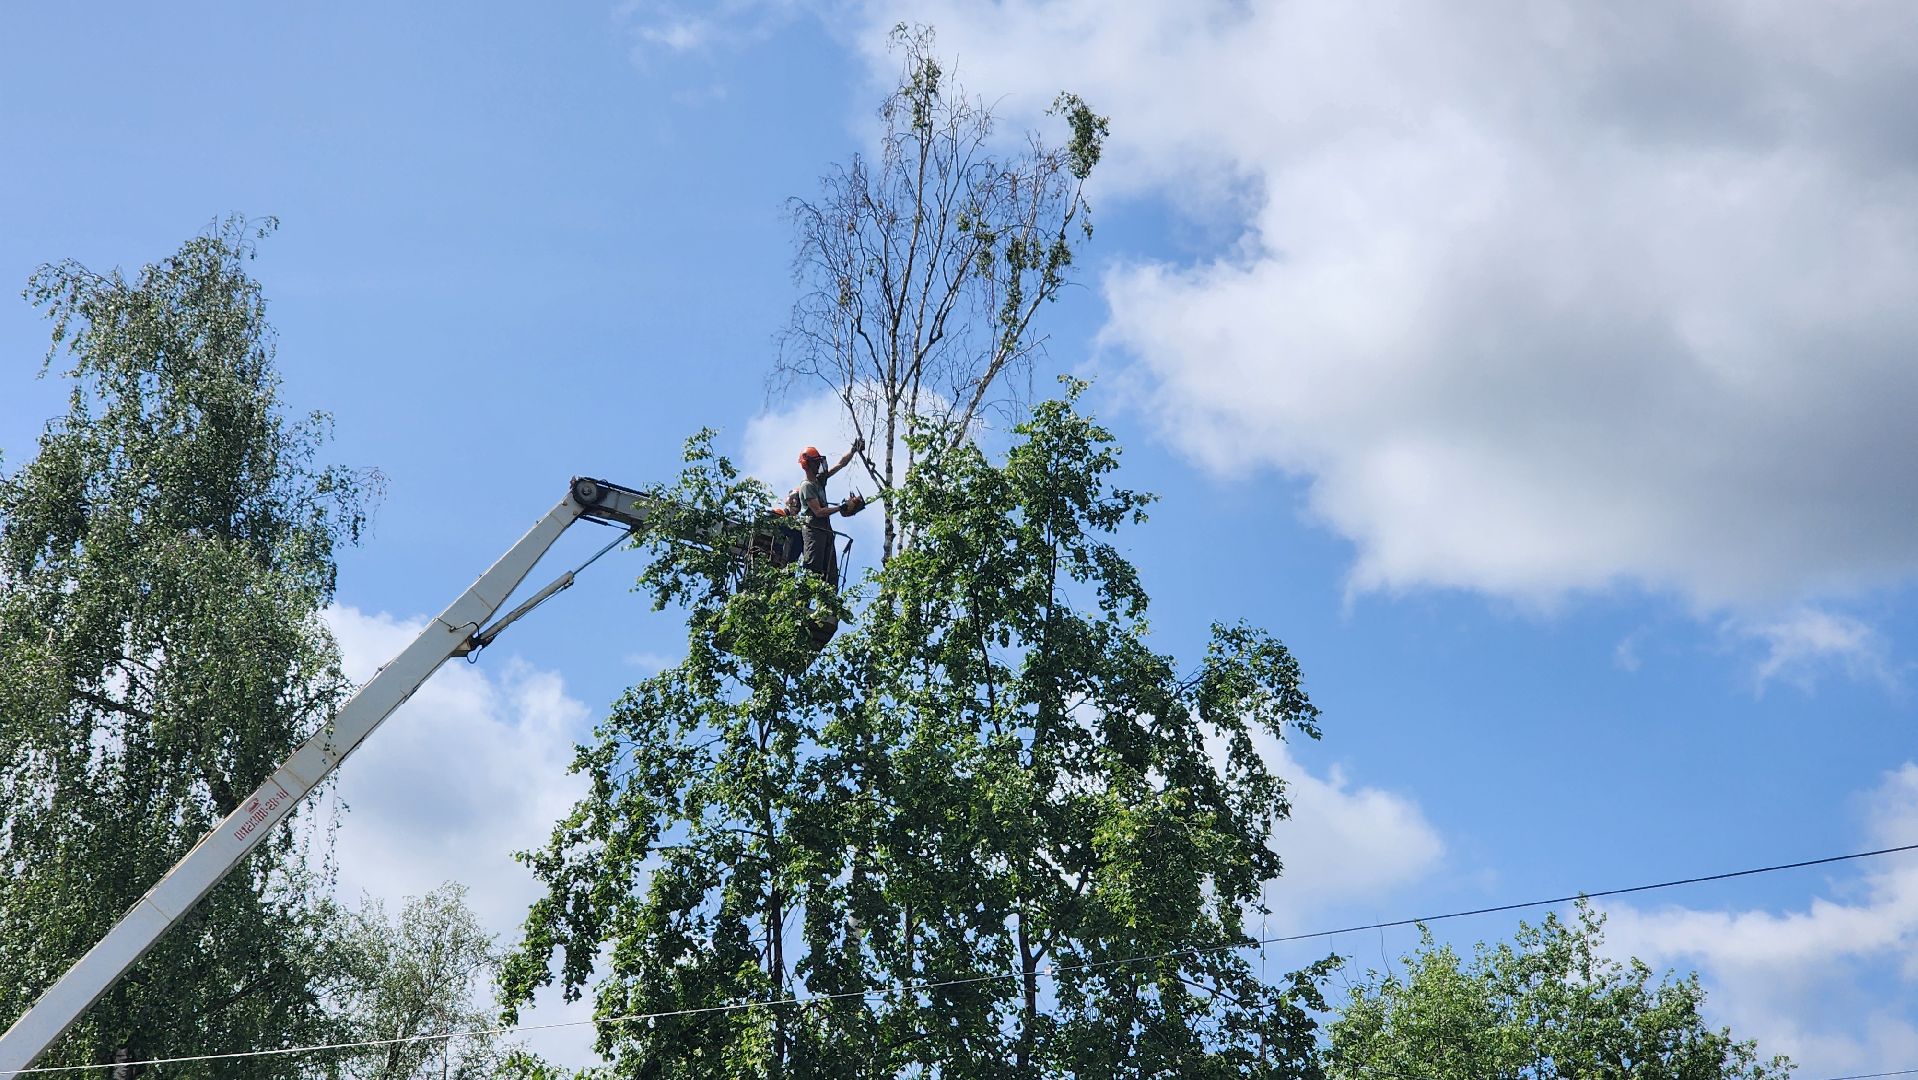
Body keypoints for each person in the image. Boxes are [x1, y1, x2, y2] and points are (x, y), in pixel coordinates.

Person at [791, 437, 863, 585]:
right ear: (808, 464)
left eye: (819, 461)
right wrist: (840, 508)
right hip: (813, 529)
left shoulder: (819, 481)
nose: (819, 465)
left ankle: (829, 604)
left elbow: (840, 464)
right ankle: (803, 603)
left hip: (825, 529)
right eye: (816, 462)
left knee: (830, 571)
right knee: (813, 567)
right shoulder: (807, 486)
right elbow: (818, 512)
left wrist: (853, 449)